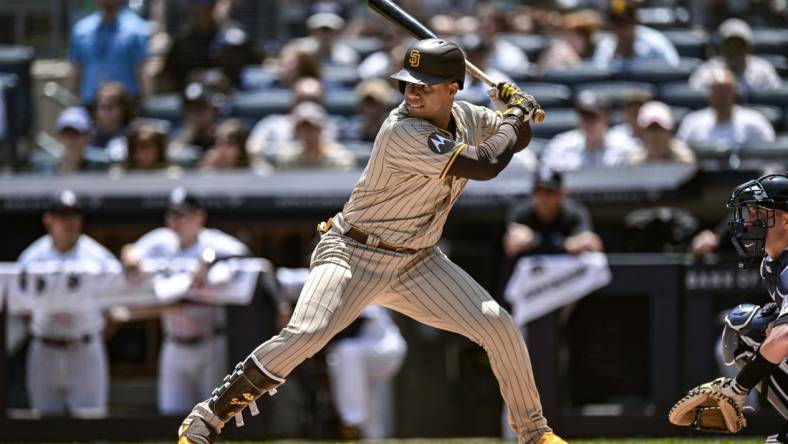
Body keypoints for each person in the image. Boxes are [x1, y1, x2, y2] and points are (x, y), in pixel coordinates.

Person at [178, 37, 567, 444]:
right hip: (353, 253)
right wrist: (515, 113)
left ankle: (534, 433)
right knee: (306, 335)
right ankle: (208, 417)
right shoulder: (403, 130)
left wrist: (514, 111)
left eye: (424, 85)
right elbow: (486, 163)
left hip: (418, 261)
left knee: (500, 328)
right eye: (408, 83)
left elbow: (512, 143)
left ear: (453, 88)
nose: (412, 92)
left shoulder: (467, 116)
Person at [672, 173, 788, 442]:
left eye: (759, 213)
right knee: (751, 328)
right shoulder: (773, 264)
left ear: (785, 218)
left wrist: (738, 388)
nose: (748, 222)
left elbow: (784, 338)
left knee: (753, 330)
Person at [122, 188, 249, 414]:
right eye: (171, 215)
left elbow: (244, 254)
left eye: (182, 215)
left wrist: (209, 260)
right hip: (173, 343)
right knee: (172, 415)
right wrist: (129, 255)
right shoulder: (161, 240)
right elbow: (130, 252)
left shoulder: (213, 241)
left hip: (210, 342)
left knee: (214, 417)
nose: (175, 222)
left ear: (199, 217)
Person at [17, 190, 118, 417]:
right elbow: (23, 309)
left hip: (84, 349)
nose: (69, 222)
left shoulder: (98, 257)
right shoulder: (32, 257)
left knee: (90, 424)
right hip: (45, 349)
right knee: (44, 425)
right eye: (62, 215)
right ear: (48, 219)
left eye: (74, 216)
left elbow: (114, 311)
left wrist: (91, 336)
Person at [327, 306, 407, 439]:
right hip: (366, 354)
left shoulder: (359, 289)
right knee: (371, 400)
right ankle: (372, 437)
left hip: (386, 350)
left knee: (346, 351)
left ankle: (353, 421)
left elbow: (352, 327)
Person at [504, 168, 602, 259]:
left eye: (549, 192)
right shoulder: (522, 212)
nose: (542, 197)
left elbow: (592, 243)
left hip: (566, 271)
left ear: (561, 194)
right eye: (538, 191)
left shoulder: (573, 212)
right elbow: (511, 246)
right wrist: (565, 243)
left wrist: (535, 240)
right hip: (530, 272)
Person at [68, 0, 149, 104]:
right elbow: (76, 71)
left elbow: (141, 71)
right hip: (91, 105)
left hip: (126, 107)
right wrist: (70, 104)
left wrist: (147, 102)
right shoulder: (81, 31)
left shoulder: (135, 30)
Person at [540, 90, 642, 171]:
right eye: (584, 117)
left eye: (593, 117)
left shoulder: (625, 146)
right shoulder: (561, 146)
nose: (588, 123)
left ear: (606, 119)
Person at [677, 68, 775, 150]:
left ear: (735, 92)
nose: (721, 96)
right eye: (716, 91)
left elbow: (771, 158)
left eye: (726, 90)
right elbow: (680, 157)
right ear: (709, 94)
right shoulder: (692, 122)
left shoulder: (755, 121)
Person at [689, 18, 782, 95]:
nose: (734, 50)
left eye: (739, 45)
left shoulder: (763, 71)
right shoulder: (708, 70)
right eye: (729, 45)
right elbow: (694, 95)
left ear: (749, 49)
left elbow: (776, 97)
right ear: (721, 48)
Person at [592, 0, 679, 69]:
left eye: (625, 23)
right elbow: (599, 75)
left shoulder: (655, 43)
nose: (621, 29)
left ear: (635, 22)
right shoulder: (606, 46)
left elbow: (674, 70)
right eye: (616, 24)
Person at [273, 102, 355, 171]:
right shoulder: (287, 158)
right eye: (302, 128)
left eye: (312, 127)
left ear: (320, 128)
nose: (307, 132)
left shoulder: (339, 158)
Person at [631, 101, 696, 165]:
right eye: (650, 129)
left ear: (670, 130)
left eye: (660, 129)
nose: (654, 135)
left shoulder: (684, 159)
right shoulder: (635, 162)